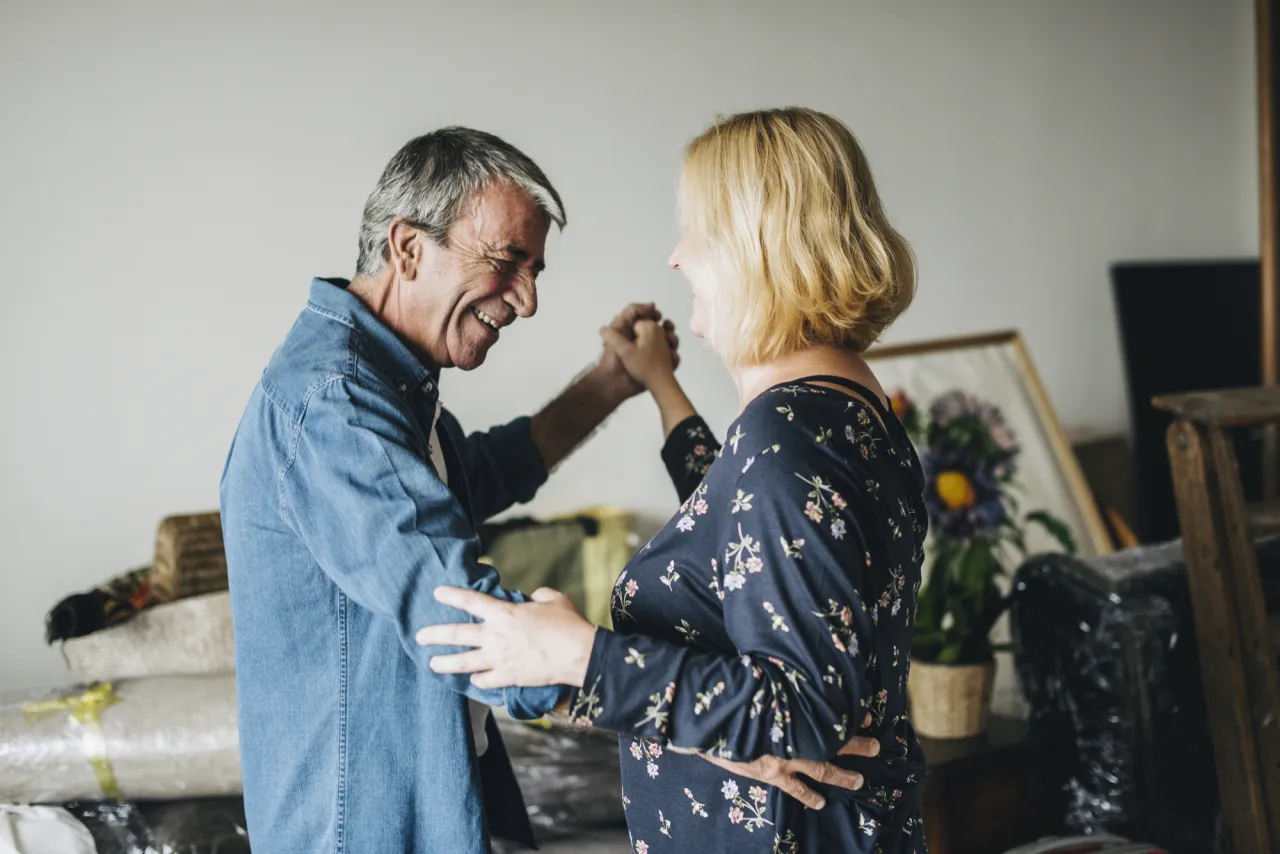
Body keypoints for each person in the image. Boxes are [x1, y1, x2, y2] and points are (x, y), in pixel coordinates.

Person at [220, 125, 877, 854]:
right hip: (365, 822)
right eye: (507, 262)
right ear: (407, 248)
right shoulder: (334, 406)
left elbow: (481, 473)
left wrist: (614, 382)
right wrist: (707, 725)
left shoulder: (387, 381)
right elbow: (467, 625)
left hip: (441, 786)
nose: (527, 301)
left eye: (534, 270)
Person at [419, 108, 929, 854]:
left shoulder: (784, 438)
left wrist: (576, 655)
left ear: (756, 248)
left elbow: (807, 714)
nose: (678, 258)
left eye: (698, 233)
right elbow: (742, 528)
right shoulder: (840, 413)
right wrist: (659, 386)